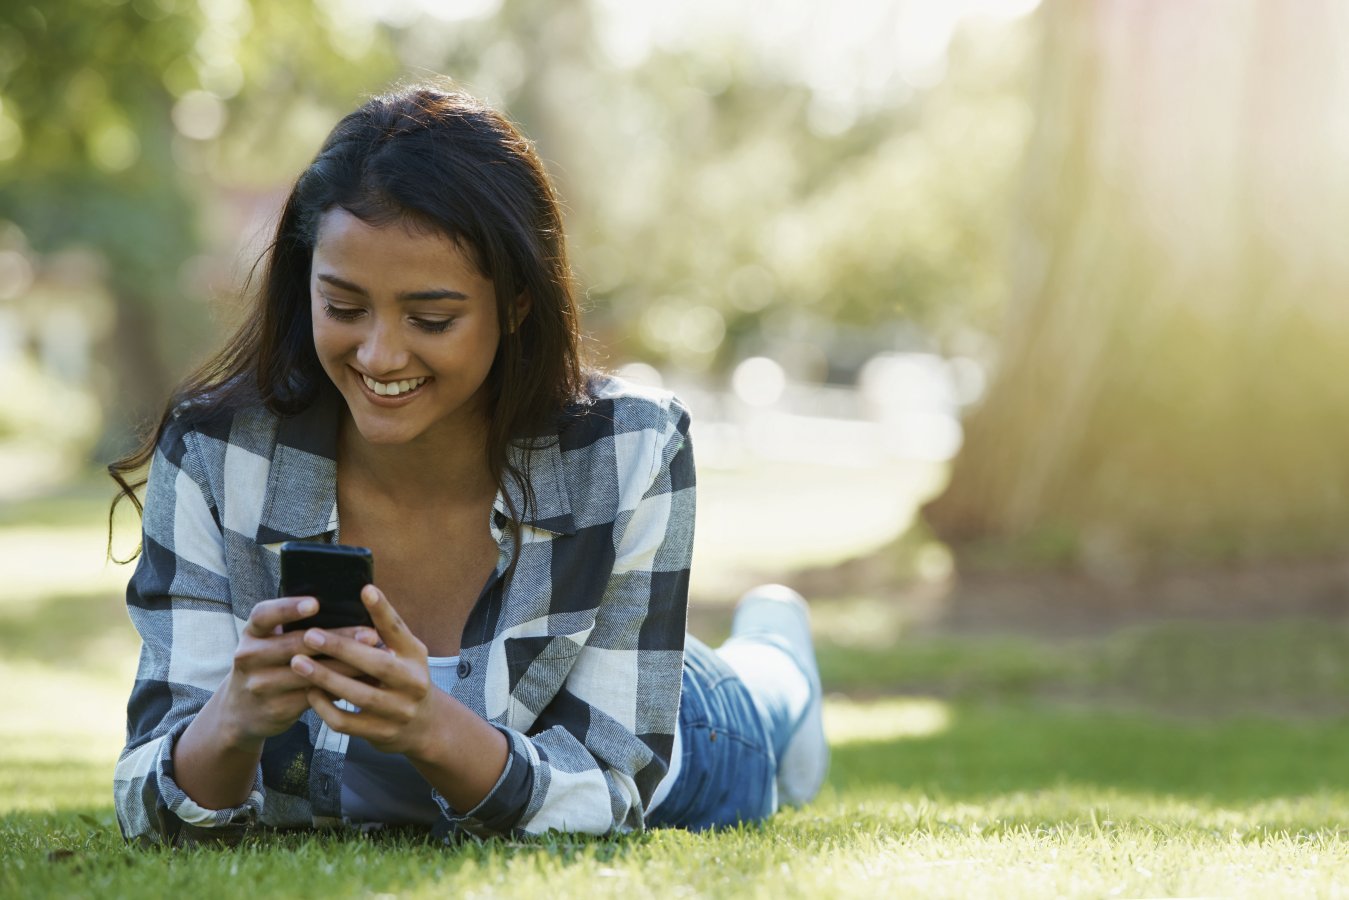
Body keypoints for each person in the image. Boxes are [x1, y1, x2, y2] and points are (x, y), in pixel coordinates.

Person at [109, 83, 828, 844]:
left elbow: (612, 791)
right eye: (344, 307)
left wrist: (430, 727)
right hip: (568, 697)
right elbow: (147, 796)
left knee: (762, 694)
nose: (379, 354)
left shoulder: (628, 447)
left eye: (431, 318)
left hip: (686, 729)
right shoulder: (217, 454)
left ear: (517, 302)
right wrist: (234, 718)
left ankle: (780, 656)